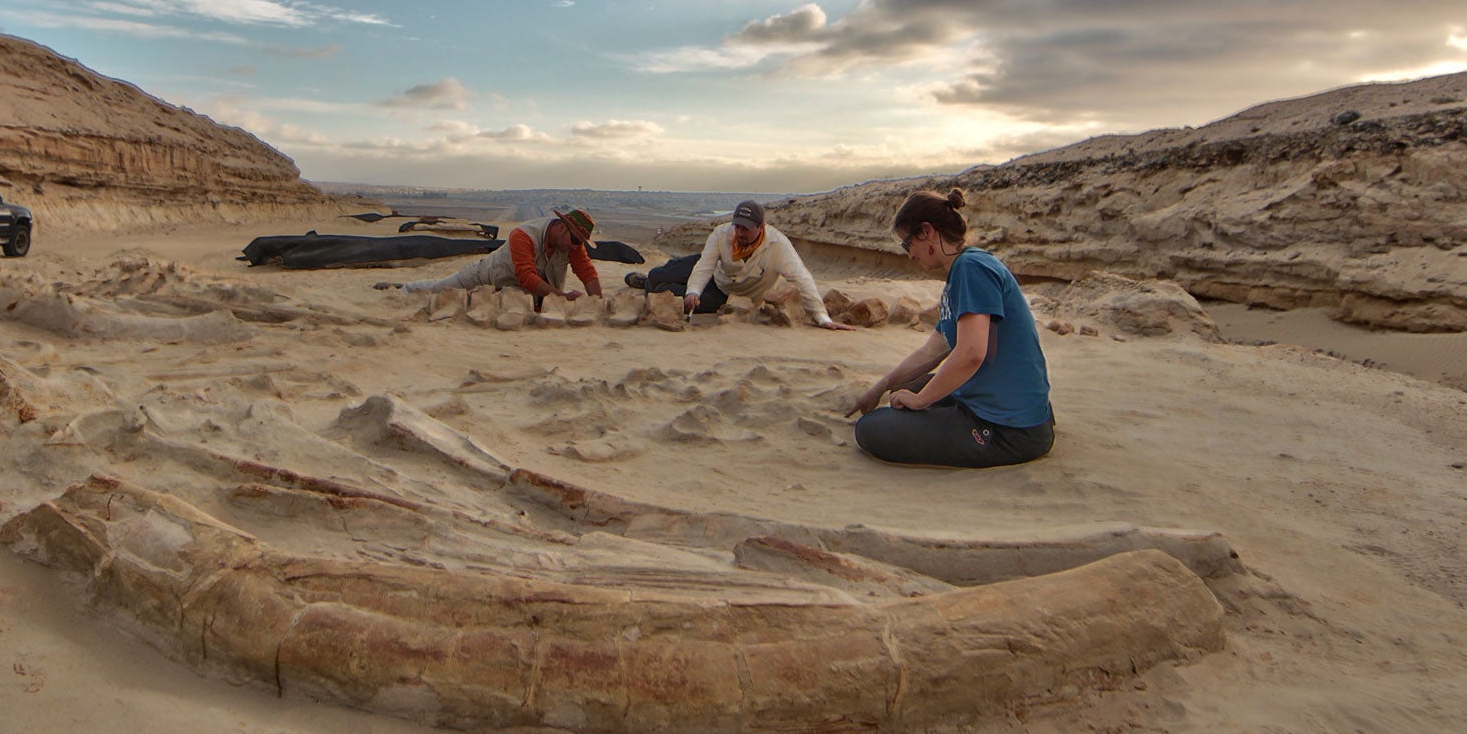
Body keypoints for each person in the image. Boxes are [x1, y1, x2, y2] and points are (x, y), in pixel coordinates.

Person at [849, 187, 1054, 468]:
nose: (909, 255)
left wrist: (921, 402)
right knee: (905, 387)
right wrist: (880, 388)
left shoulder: (972, 269)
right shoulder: (964, 269)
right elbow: (934, 348)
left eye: (906, 244)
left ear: (926, 232)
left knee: (870, 429)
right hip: (997, 403)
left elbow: (971, 353)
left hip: (1008, 429)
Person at [626, 200, 843, 329]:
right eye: (737, 227)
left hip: (727, 293)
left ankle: (650, 289)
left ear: (760, 227)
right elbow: (704, 267)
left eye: (745, 229)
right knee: (657, 276)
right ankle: (648, 282)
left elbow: (801, 278)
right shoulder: (722, 234)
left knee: (670, 295)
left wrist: (822, 318)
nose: (739, 233)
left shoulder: (777, 245)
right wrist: (693, 291)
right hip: (711, 272)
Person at [373, 207, 602, 308]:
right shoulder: (524, 235)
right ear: (562, 228)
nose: (577, 247)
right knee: (443, 289)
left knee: (523, 301)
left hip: (530, 289)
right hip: (490, 273)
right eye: (575, 241)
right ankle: (403, 288)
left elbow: (586, 271)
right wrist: (562, 296)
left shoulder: (572, 244)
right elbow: (526, 276)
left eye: (580, 243)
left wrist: (597, 302)